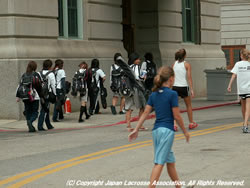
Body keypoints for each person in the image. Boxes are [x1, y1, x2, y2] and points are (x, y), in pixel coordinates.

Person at [128, 66, 191, 188]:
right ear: (171, 79)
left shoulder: (154, 94)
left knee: (170, 162)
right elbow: (177, 116)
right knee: (159, 163)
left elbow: (145, 113)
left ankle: (179, 186)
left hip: (156, 131)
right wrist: (185, 132)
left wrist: (136, 129)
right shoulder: (172, 94)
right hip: (167, 131)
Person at [172, 49, 198, 131]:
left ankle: (174, 124)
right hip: (183, 86)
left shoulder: (174, 64)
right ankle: (191, 123)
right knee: (188, 105)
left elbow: (172, 76)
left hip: (175, 87)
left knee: (174, 106)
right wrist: (192, 89)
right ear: (184, 56)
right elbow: (189, 77)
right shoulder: (186, 64)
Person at [16, 61, 44, 132]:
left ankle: (30, 125)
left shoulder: (24, 75)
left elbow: (19, 85)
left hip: (25, 96)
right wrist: (42, 96)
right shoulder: (36, 74)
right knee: (35, 112)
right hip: (34, 96)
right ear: (35, 67)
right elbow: (39, 86)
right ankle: (30, 121)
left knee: (28, 111)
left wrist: (18, 96)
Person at [227, 49, 250, 133]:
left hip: (241, 89)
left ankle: (245, 123)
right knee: (248, 108)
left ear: (241, 56)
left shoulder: (238, 64)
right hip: (248, 89)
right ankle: (245, 125)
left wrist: (229, 85)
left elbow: (234, 75)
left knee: (243, 107)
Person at [125, 52, 147, 131]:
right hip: (136, 89)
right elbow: (139, 78)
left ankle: (128, 125)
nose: (139, 60)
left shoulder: (127, 67)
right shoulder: (137, 67)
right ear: (134, 60)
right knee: (141, 107)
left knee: (129, 108)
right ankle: (140, 125)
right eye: (137, 59)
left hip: (129, 90)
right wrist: (144, 76)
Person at [37, 60, 56, 130]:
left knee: (45, 108)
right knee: (44, 110)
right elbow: (53, 85)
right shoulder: (51, 74)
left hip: (40, 94)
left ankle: (48, 124)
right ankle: (40, 125)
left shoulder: (38, 73)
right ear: (50, 66)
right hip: (47, 94)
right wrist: (55, 94)